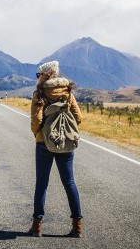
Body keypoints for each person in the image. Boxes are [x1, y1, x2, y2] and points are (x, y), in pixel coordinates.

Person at [28, 61, 84, 238]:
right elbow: (79, 118)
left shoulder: (40, 93)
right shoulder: (68, 92)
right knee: (69, 183)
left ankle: (37, 226)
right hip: (65, 143)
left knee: (41, 184)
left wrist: (38, 133)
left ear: (45, 75)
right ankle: (77, 226)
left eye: (39, 75)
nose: (37, 78)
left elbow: (36, 120)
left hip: (44, 142)